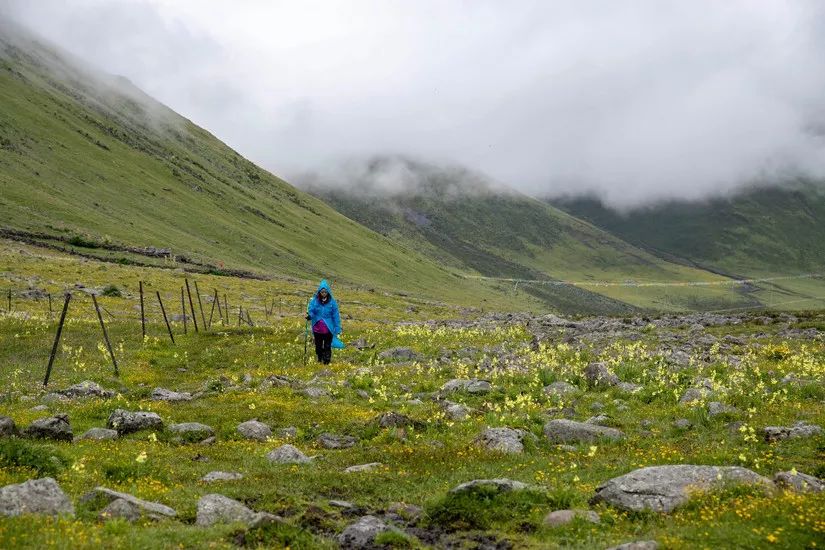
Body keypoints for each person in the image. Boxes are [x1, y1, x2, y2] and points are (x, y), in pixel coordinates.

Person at [306, 279, 342, 364]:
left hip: (328, 329)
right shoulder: (314, 301)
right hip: (317, 329)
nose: (323, 294)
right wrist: (309, 316)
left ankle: (327, 361)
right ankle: (320, 358)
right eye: (322, 292)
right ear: (319, 292)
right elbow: (311, 310)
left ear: (328, 292)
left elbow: (336, 316)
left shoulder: (332, 303)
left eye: (325, 292)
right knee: (318, 346)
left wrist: (337, 328)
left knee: (327, 346)